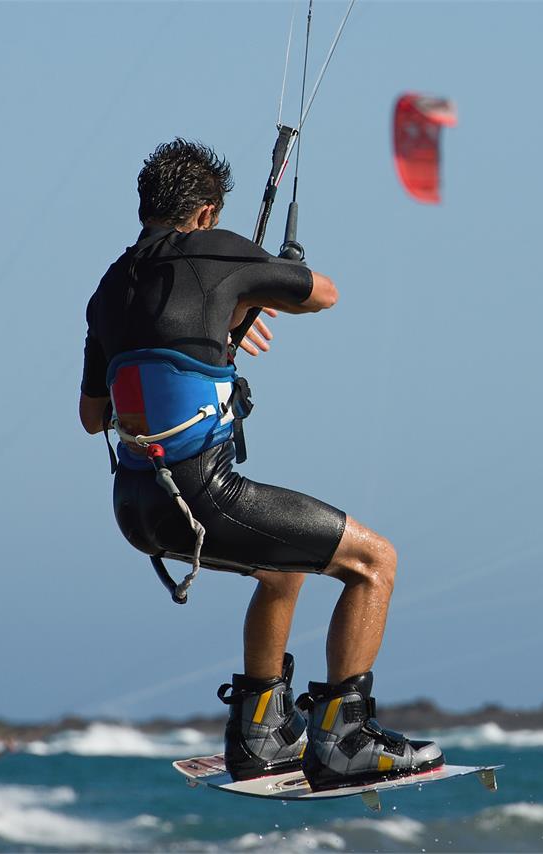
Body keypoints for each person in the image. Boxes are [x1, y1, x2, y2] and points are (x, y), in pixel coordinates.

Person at [78, 138, 442, 790]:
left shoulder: (109, 287)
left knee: (282, 569)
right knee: (374, 562)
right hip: (202, 496)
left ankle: (259, 734)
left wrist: (223, 324)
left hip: (137, 509)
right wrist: (274, 273)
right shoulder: (217, 250)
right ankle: (345, 740)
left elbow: (92, 416)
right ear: (206, 211)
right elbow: (323, 294)